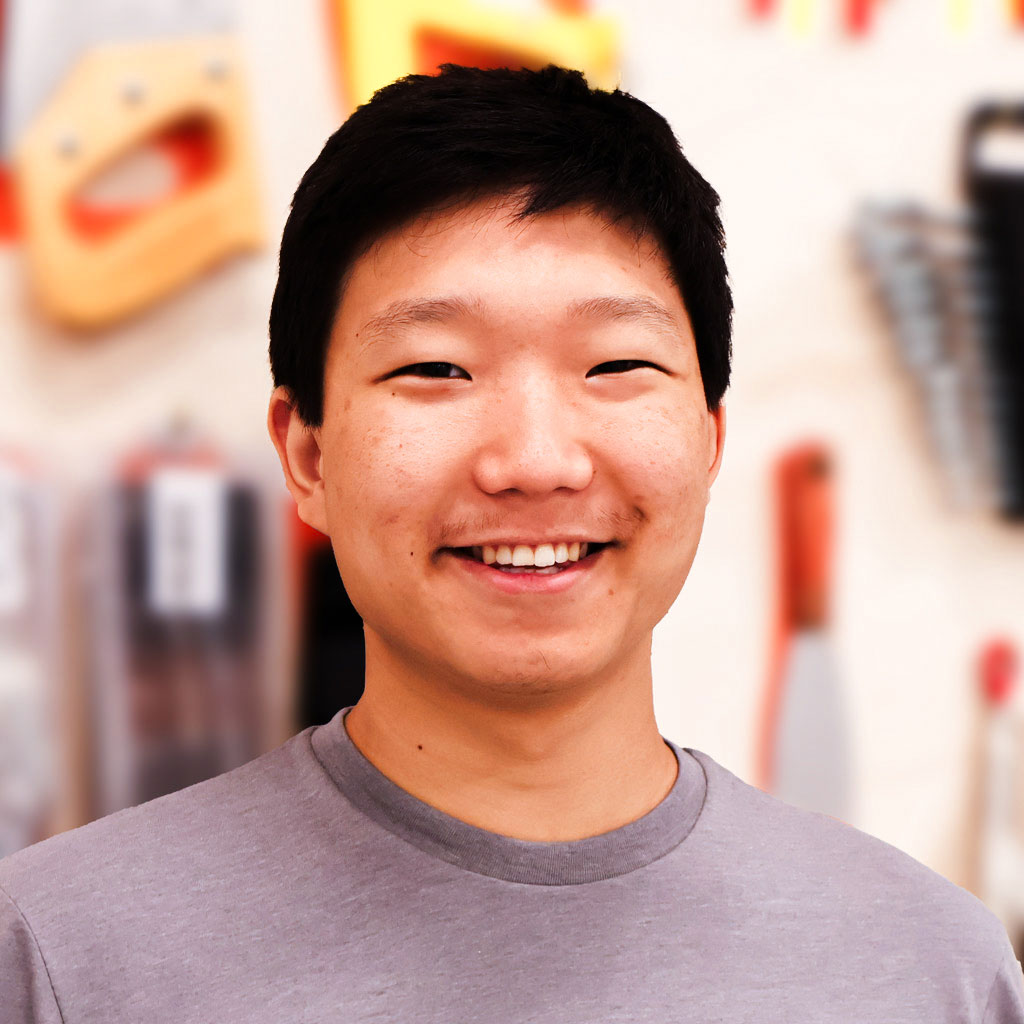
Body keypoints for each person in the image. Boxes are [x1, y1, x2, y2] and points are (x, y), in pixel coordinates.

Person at [1, 63, 1022, 1023]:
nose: (535, 460)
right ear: (307, 454)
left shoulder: (928, 968)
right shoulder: (61, 953)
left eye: (614, 362)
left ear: (709, 440)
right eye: (437, 370)